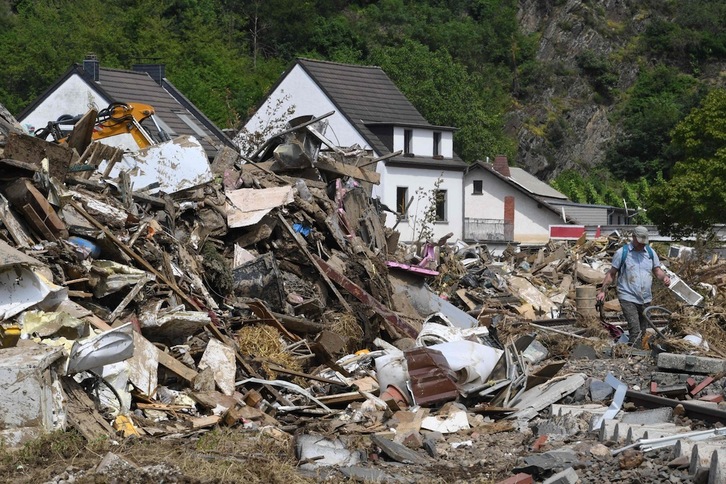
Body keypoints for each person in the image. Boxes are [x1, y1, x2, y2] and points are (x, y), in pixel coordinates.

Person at [596, 226, 671, 346]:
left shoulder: (650, 253)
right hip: (627, 296)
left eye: (644, 242)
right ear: (633, 237)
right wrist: (602, 291)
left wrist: (665, 278)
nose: (642, 244)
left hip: (645, 297)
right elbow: (611, 273)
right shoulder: (622, 253)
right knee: (635, 329)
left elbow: (657, 270)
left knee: (643, 330)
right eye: (640, 241)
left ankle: (637, 352)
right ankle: (633, 355)